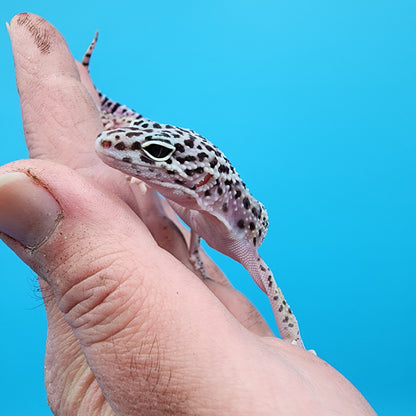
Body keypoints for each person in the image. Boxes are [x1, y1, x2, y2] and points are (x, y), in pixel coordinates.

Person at [0, 13, 376, 415]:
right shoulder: (193, 204)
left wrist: (296, 346)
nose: (125, 154)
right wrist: (191, 249)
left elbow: (274, 294)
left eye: (156, 156)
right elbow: (195, 217)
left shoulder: (239, 238)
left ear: (203, 182)